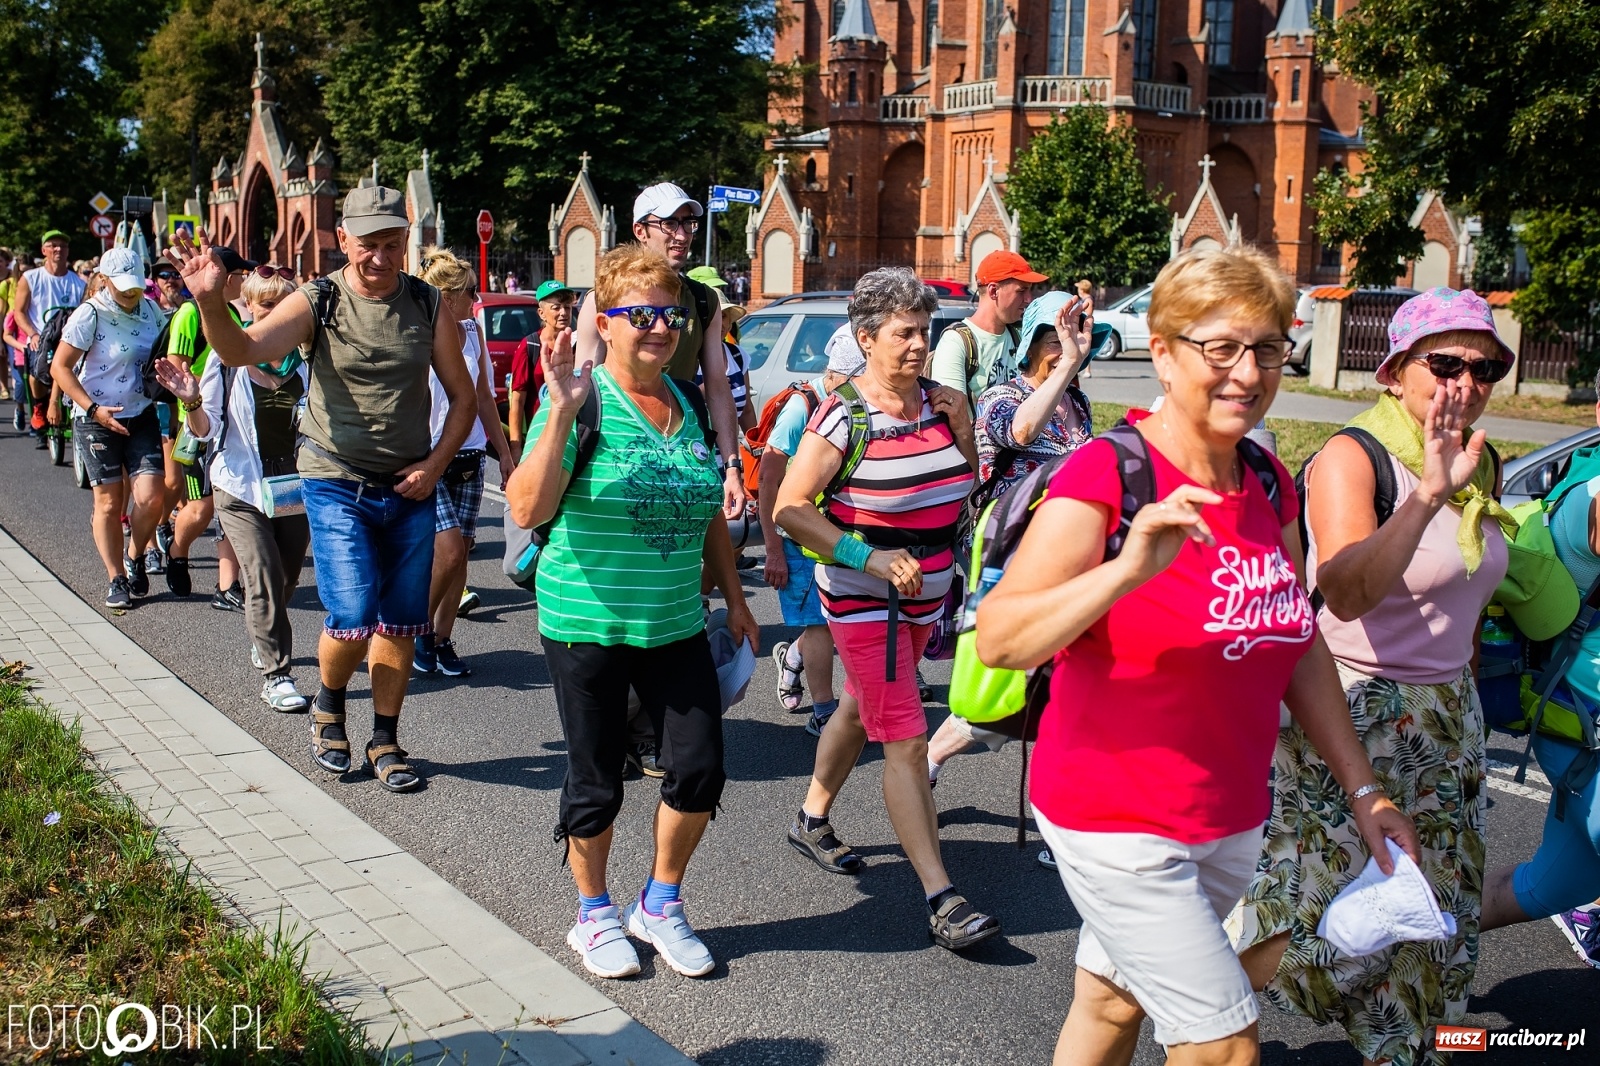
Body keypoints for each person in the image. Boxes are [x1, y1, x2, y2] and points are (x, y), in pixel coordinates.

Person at [976, 247, 1418, 1066]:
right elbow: (1000, 638)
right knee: (1223, 1045)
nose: (1248, 372)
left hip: (1226, 814)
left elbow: (1297, 641)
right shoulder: (1106, 474)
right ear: (1165, 349)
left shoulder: (1267, 476)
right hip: (1118, 817)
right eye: (1221, 348)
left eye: (1269, 348)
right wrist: (1127, 569)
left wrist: (1364, 791)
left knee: (1110, 1004)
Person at [1232, 287, 1515, 1065]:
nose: (1466, 381)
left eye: (1486, 366)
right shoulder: (1354, 457)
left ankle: (1404, 1052)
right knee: (1323, 919)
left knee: (1430, 913)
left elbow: (1472, 586)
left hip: (1447, 721)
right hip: (1353, 710)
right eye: (1446, 362)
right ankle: (1196, 1002)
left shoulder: (1484, 456)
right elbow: (1351, 595)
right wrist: (1427, 494)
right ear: (1395, 372)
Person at [167, 186, 478, 795]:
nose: (382, 259)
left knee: (401, 625)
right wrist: (208, 303)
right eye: (369, 246)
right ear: (344, 241)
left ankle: (385, 737)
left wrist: (437, 465)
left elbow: (464, 400)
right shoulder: (321, 298)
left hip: (411, 482)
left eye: (393, 245)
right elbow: (245, 349)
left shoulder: (427, 303)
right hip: (336, 478)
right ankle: (328, 706)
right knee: (354, 614)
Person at [505, 243, 759, 980]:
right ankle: (592, 914)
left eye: (671, 314)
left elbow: (710, 505)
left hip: (676, 618)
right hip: (587, 620)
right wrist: (558, 413)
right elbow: (526, 506)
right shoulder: (582, 402)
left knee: (700, 768)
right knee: (597, 780)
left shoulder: (683, 404)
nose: (659, 327)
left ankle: (660, 904)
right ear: (607, 323)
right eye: (640, 314)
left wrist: (736, 597)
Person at [774, 267, 1001, 952]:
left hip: (928, 597)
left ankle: (811, 817)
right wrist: (864, 556)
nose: (917, 346)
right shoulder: (844, 415)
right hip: (866, 599)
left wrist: (963, 429)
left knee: (858, 707)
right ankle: (943, 897)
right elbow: (789, 508)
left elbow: (968, 485)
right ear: (865, 338)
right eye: (903, 334)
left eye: (923, 332)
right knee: (902, 736)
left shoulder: (942, 403)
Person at [924, 289, 1096, 849]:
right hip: (1012, 560)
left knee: (1067, 695)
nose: (1069, 348)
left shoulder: (1080, 403)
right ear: (1033, 344)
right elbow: (1018, 433)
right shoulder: (1004, 393)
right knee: (996, 691)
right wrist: (1065, 366)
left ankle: (1059, 827)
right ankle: (928, 757)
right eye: (1055, 338)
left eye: (1075, 339)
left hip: (1070, 562)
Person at [153, 269, 312, 711]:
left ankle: (265, 635)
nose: (272, 314)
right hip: (239, 482)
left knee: (287, 577)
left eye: (281, 306)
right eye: (263, 306)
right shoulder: (227, 360)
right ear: (248, 311)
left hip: (293, 484)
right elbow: (205, 432)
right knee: (259, 573)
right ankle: (277, 674)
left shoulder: (306, 360)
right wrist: (190, 400)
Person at [1480, 383, 1600, 968]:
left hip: (1576, 739)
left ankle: (1406, 948)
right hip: (1586, 741)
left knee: (1552, 887)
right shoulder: (1597, 497)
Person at [572, 183, 746, 519]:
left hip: (681, 447)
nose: (682, 235)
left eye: (688, 224)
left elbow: (717, 386)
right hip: (616, 452)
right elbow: (584, 387)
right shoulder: (603, 298)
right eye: (670, 223)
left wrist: (732, 467)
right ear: (640, 230)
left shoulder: (703, 300)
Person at [413, 249, 516, 677]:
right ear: (446, 295)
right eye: (471, 291)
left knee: (464, 553)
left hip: (471, 452)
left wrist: (506, 455)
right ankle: (417, 630)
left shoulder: (473, 330)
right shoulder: (417, 332)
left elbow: (483, 397)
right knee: (449, 551)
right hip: (429, 455)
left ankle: (441, 638)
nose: (477, 298)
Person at [47, 248, 166, 609]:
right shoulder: (91, 313)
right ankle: (116, 577)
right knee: (110, 502)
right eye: (124, 287)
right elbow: (60, 367)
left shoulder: (150, 309)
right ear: (106, 280)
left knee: (151, 497)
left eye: (136, 287)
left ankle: (134, 554)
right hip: (95, 419)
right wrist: (93, 409)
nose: (132, 294)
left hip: (140, 412)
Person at [762, 326, 859, 736]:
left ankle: (794, 659)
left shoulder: (854, 402)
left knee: (839, 623)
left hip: (843, 536)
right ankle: (824, 711)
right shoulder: (805, 405)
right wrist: (772, 548)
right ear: (838, 374)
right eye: (858, 380)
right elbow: (769, 476)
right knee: (820, 623)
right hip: (799, 535)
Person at [162, 251, 256, 606]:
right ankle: (176, 549)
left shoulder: (232, 314)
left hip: (228, 426)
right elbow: (176, 368)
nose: (245, 282)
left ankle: (226, 584)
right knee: (202, 508)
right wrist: (215, 381)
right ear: (225, 277)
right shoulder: (189, 313)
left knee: (230, 504)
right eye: (242, 274)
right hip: (198, 421)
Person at [928, 249, 1045, 411]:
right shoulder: (956, 342)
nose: (1029, 298)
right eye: (1021, 291)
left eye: (1030, 290)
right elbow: (952, 417)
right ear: (993, 291)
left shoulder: (1018, 335)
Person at [13, 230, 87, 446]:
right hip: (41, 337)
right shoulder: (31, 278)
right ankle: (39, 406)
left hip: (69, 338)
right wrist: (33, 334)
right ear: (44, 250)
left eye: (62, 246)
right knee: (38, 367)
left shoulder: (78, 283)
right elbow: (19, 312)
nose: (58, 250)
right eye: (53, 245)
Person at [507, 279, 575, 452]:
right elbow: (517, 401)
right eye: (556, 307)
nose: (563, 313)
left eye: (567, 307)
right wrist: (516, 447)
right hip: (538, 436)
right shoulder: (530, 345)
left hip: (572, 436)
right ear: (541, 313)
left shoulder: (578, 344)